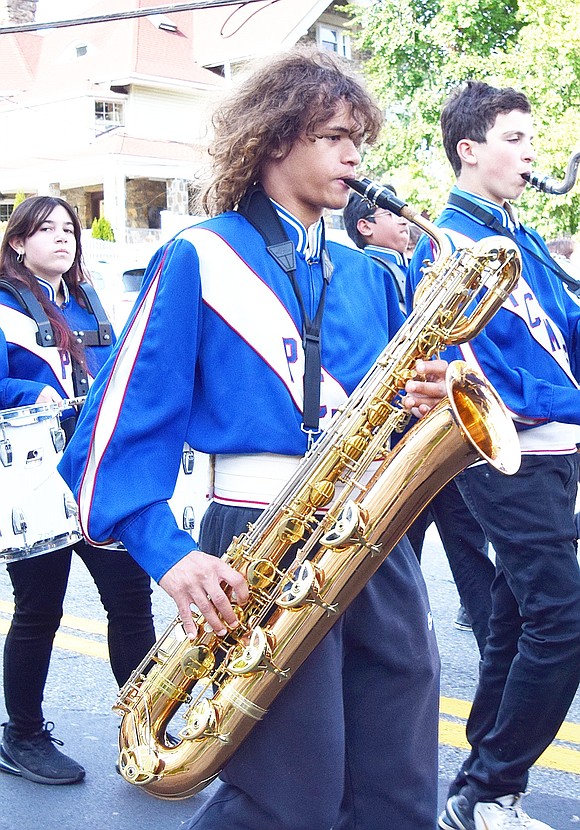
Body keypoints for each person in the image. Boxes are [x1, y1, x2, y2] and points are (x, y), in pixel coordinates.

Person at [60, 48, 447, 830]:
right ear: (275, 139)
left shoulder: (370, 274)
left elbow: (394, 415)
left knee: (398, 791)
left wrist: (425, 402)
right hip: (258, 538)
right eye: (335, 137)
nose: (353, 158)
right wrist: (170, 555)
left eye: (358, 142)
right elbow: (117, 428)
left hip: (374, 539)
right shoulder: (199, 255)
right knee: (284, 801)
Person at [408, 80, 580, 830]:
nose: (531, 151)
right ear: (468, 149)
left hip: (553, 451)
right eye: (514, 137)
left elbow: (565, 328)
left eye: (531, 137)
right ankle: (489, 788)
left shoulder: (521, 235)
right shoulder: (447, 243)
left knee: (513, 625)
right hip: (507, 457)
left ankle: (478, 795)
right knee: (563, 620)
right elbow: (477, 370)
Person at [0, 196, 157, 786]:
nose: (64, 239)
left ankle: (146, 723)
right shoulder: (2, 303)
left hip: (95, 470)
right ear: (18, 242)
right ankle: (22, 735)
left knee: (131, 599)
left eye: (70, 229)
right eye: (48, 230)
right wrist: (27, 395)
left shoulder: (91, 301)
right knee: (40, 609)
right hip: (35, 474)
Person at [344, 188, 492, 656]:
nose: (406, 220)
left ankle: (488, 649)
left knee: (424, 549)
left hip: (421, 431)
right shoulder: (364, 273)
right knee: (390, 556)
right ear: (365, 227)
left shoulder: (407, 269)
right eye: (390, 214)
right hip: (397, 436)